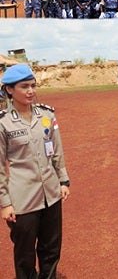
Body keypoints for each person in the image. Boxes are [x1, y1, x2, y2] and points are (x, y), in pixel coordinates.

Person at [0, 64, 71, 278]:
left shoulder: (46, 115)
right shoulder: (3, 122)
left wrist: (63, 181)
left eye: (33, 85)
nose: (31, 91)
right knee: (25, 253)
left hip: (51, 193)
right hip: (22, 198)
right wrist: (4, 202)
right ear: (10, 90)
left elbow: (56, 150)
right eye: (24, 86)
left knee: (51, 248)